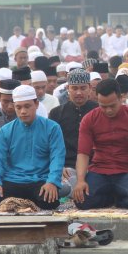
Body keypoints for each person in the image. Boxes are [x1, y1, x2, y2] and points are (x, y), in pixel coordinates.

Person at [72, 79, 128, 209]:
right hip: (99, 171)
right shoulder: (89, 119)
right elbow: (83, 154)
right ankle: (113, 197)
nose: (108, 110)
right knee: (81, 200)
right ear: (97, 100)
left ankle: (115, 197)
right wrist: (80, 181)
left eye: (112, 106)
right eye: (103, 106)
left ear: (121, 98)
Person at [0, 85, 65, 210]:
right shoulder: (6, 131)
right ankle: (26, 202)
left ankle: (23, 202)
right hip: (13, 180)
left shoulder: (52, 128)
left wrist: (52, 182)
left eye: (27, 106)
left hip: (40, 180)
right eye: (19, 107)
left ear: (36, 104)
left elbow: (57, 157)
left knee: (49, 202)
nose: (23, 111)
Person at [48, 69, 97, 198]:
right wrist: (59, 166)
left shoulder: (99, 111)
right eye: (74, 88)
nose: (79, 92)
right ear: (67, 88)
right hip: (67, 168)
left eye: (83, 88)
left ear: (90, 88)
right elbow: (50, 145)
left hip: (95, 167)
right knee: (62, 186)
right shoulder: (56, 113)